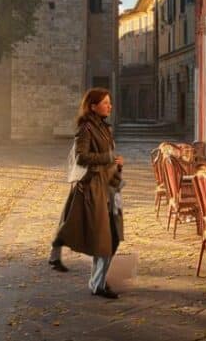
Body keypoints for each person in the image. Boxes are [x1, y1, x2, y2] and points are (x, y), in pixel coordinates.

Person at [50, 88, 124, 298]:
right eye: (105, 102)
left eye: (110, 102)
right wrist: (108, 158)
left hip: (108, 186)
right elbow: (82, 157)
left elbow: (107, 156)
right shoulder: (86, 129)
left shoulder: (105, 128)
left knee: (113, 237)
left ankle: (96, 281)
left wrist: (116, 163)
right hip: (93, 189)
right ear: (93, 106)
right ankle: (98, 285)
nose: (110, 106)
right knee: (104, 239)